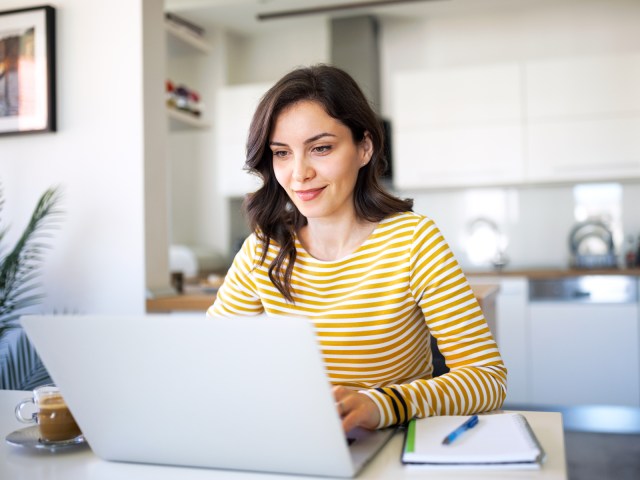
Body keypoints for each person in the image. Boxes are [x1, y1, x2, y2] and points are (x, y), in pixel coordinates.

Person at [208, 64, 506, 433]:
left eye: (320, 148)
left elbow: (487, 378)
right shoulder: (263, 250)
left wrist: (383, 404)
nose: (299, 173)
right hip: (296, 441)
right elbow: (211, 360)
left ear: (363, 147)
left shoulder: (413, 241)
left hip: (391, 445)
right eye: (282, 153)